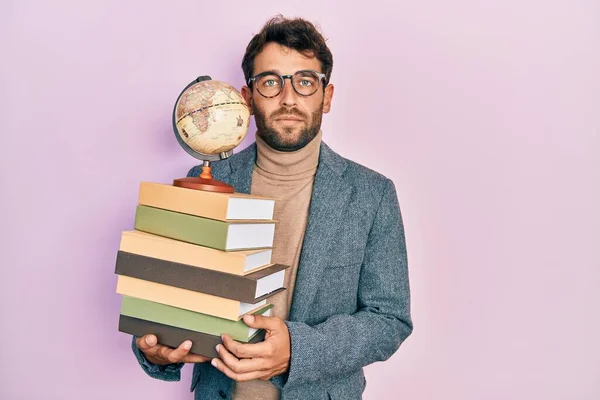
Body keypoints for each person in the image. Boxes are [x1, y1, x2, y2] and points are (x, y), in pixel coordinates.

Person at [131, 15, 413, 400]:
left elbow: (389, 320)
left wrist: (298, 348)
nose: (288, 98)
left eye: (305, 81)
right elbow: (170, 305)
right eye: (270, 82)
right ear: (247, 99)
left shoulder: (371, 194)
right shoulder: (205, 179)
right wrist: (157, 351)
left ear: (326, 97)